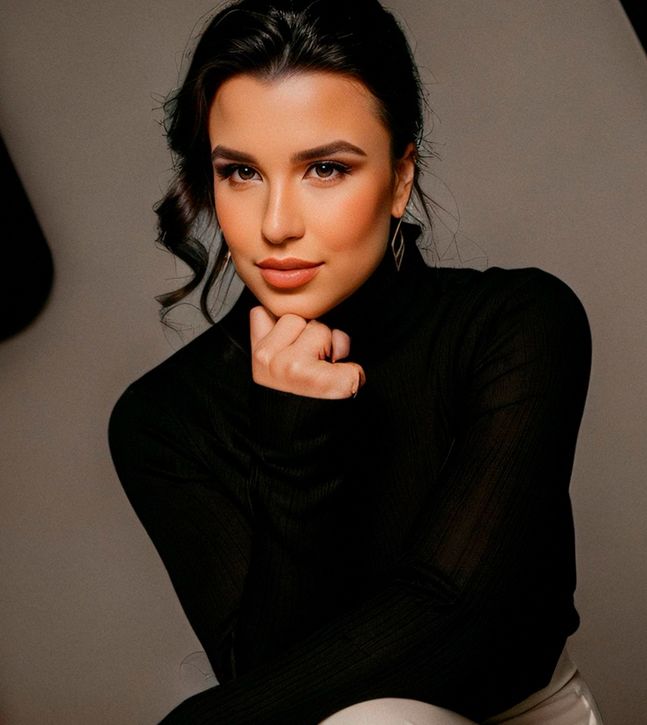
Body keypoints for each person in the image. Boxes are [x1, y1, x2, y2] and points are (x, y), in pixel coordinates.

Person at [108, 0, 603, 722]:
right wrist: (289, 439)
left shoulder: (515, 323)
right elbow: (272, 682)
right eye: (241, 172)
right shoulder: (163, 418)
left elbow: (456, 610)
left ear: (400, 178)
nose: (276, 224)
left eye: (325, 168)